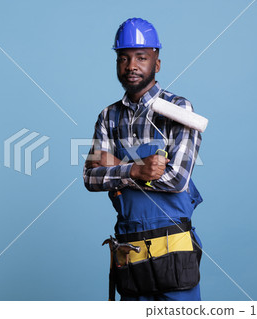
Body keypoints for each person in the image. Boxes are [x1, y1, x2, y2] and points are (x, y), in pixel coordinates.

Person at [83, 17, 204, 301]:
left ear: (156, 63)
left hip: (174, 249)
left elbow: (176, 180)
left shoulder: (178, 109)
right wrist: (138, 170)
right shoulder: (108, 116)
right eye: (123, 58)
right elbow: (89, 178)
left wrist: (115, 167)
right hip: (129, 250)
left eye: (141, 57)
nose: (131, 66)